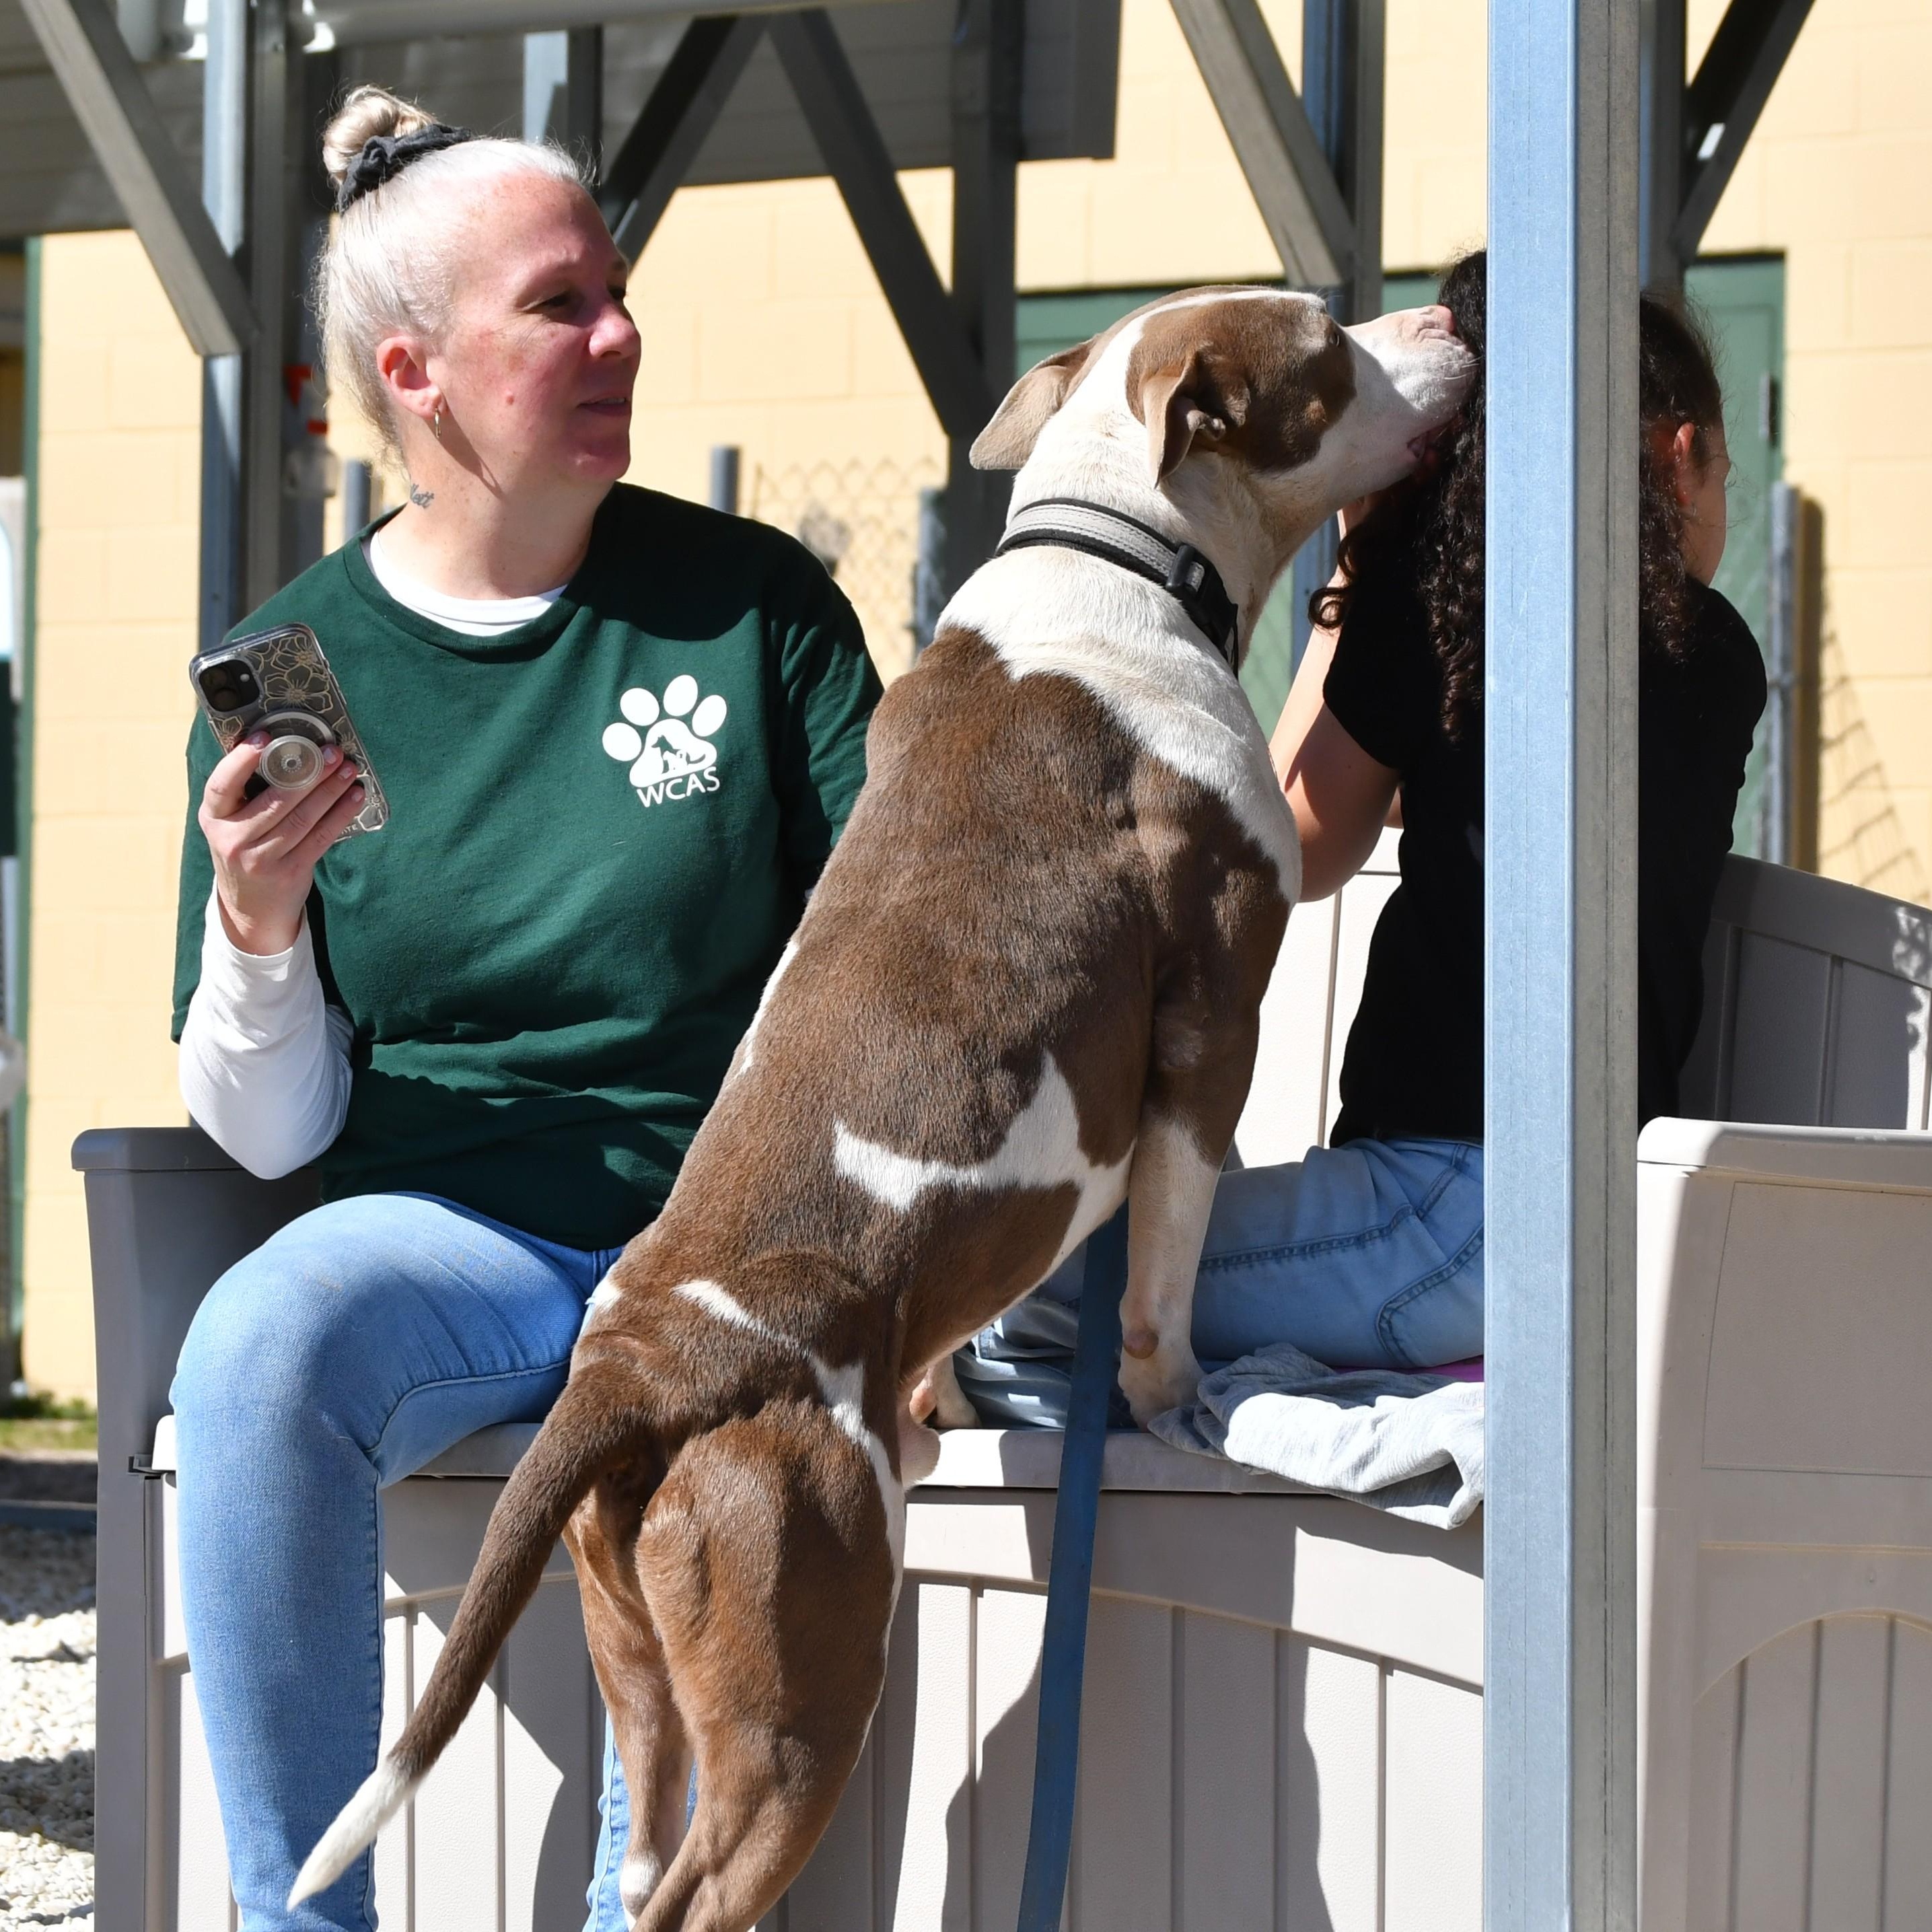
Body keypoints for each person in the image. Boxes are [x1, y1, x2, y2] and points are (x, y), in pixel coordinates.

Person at [167, 87, 881, 1932]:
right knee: (256, 1349)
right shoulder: (300, 669)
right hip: (454, 1242)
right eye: (562, 306)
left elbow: (877, 973)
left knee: (709, 1468)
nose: (620, 334)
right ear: (416, 370)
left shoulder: (755, 613)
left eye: (619, 291)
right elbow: (269, 1134)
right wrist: (256, 924)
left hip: (728, 1242)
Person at [955, 254, 1764, 1423]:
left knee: (1014, 1292)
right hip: (1572, 1221)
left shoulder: (1443, 619)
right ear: (1682, 456)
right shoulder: (1719, 655)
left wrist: (1369, 559)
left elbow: (1289, 831)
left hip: (1442, 1212)